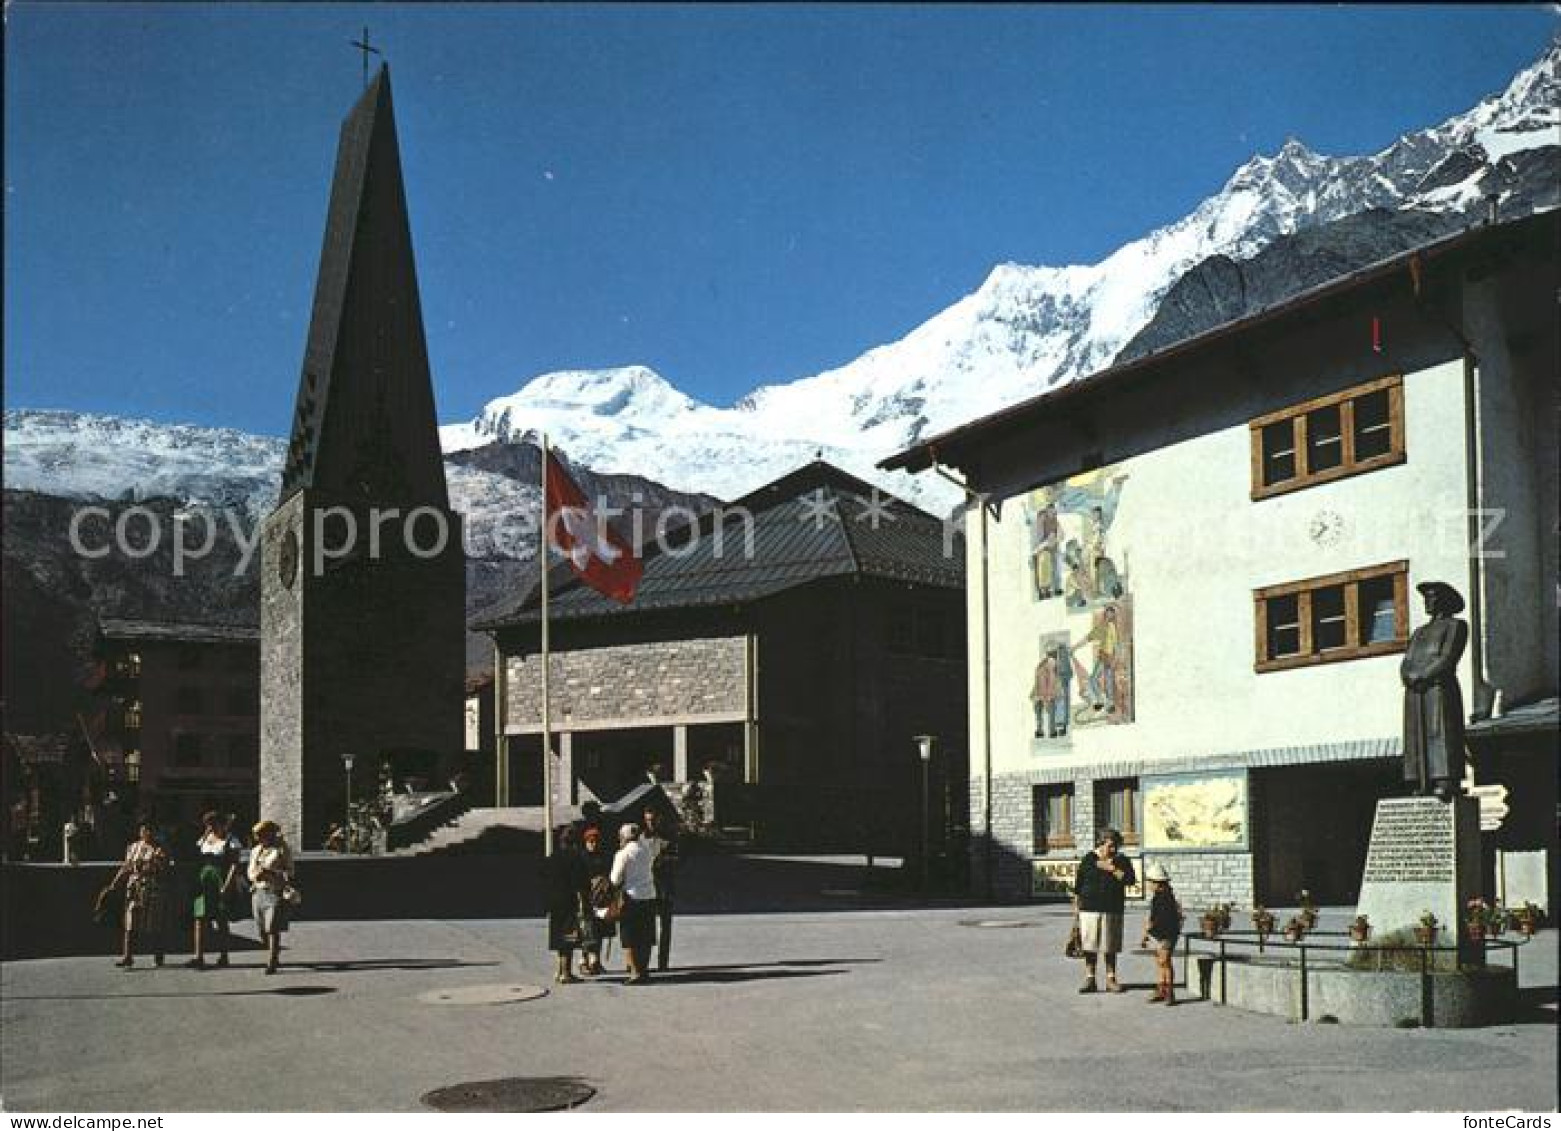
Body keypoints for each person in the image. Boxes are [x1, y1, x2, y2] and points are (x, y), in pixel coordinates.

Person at [1400, 581, 1469, 801]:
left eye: (1432, 597)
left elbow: (1448, 657)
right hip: (1415, 691)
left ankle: (1445, 780)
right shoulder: (1419, 632)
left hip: (1438, 688)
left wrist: (1424, 676)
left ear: (1444, 601)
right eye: (1426, 598)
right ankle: (1422, 780)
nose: (1427, 602)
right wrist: (1408, 675)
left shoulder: (1455, 625)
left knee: (1440, 732)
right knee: (1416, 735)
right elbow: (1407, 659)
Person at [1072, 828, 1135, 993]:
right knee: (1089, 945)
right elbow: (1078, 887)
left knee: (1110, 946)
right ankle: (1090, 978)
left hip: (1112, 908)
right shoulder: (1088, 859)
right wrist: (1076, 911)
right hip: (1089, 909)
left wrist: (1112, 869)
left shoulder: (1121, 860)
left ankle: (1111, 979)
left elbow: (1130, 880)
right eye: (1111, 846)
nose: (1114, 850)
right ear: (1101, 843)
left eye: (1116, 846)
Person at [110, 821, 173, 968]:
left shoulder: (160, 848)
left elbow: (165, 869)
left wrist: (157, 861)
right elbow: (126, 867)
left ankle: (158, 956)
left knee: (155, 923)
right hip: (135, 887)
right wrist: (114, 883)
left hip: (154, 887)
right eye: (144, 830)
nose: (146, 833)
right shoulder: (133, 847)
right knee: (130, 922)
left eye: (149, 830)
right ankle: (128, 956)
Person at [187, 811, 242, 969]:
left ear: (221, 823)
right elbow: (197, 855)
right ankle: (199, 956)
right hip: (204, 878)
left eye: (213, 823)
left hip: (220, 877)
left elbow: (234, 864)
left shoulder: (231, 840)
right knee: (199, 917)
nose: (211, 827)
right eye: (208, 824)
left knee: (221, 918)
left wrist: (227, 885)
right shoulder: (205, 839)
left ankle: (224, 956)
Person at [609, 822, 660, 984]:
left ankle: (635, 972)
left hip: (630, 898)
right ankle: (644, 970)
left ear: (624, 837)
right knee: (646, 936)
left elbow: (615, 879)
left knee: (629, 937)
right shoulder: (647, 850)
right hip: (649, 895)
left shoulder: (622, 854)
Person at [542, 825, 590, 984]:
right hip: (569, 901)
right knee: (568, 937)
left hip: (554, 901)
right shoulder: (575, 857)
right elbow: (580, 882)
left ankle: (559, 970)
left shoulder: (552, 857)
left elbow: (543, 875)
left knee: (558, 936)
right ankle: (566, 973)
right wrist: (583, 901)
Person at [247, 820, 294, 975]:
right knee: (261, 930)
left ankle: (272, 961)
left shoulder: (281, 849)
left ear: (270, 833)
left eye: (261, 834)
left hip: (274, 891)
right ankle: (274, 952)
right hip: (258, 892)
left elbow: (290, 872)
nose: (258, 837)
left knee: (272, 928)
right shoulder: (255, 850)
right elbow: (250, 871)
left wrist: (272, 873)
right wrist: (255, 876)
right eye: (257, 835)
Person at [643, 806, 680, 972]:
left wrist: (663, 862)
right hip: (646, 888)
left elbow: (677, 861)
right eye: (647, 820)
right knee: (645, 926)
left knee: (665, 926)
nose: (650, 823)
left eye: (653, 820)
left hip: (664, 887)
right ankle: (641, 962)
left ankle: (662, 962)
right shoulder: (641, 839)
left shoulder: (669, 838)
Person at [1139, 863, 1181, 1006]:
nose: (1149, 885)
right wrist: (1147, 932)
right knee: (1159, 961)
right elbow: (1152, 916)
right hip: (1159, 934)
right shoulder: (1157, 897)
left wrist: (1152, 926)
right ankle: (1161, 987)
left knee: (1165, 961)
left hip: (1167, 934)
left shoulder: (1167, 898)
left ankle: (1170, 991)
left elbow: (1166, 918)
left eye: (1150, 882)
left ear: (1158, 882)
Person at [578, 823, 615, 975]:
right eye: (590, 841)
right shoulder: (582, 858)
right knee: (586, 930)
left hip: (601, 899)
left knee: (599, 930)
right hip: (586, 898)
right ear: (585, 842)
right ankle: (583, 961)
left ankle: (595, 961)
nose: (593, 844)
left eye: (595, 841)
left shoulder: (604, 857)